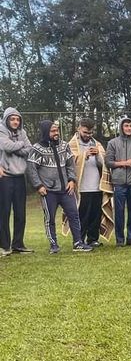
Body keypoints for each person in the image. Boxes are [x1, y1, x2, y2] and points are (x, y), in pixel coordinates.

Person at [27, 120, 92, 253]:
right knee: (49, 218)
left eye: (57, 130)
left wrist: (72, 180)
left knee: (74, 215)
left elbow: (70, 165)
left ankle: (78, 242)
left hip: (66, 190)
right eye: (53, 131)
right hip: (48, 191)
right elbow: (31, 169)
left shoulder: (64, 145)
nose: (56, 133)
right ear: (46, 132)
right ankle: (54, 245)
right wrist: (38, 186)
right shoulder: (36, 149)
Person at [63, 118, 114, 246]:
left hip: (97, 186)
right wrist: (83, 156)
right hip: (81, 188)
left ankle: (93, 239)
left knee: (95, 215)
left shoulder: (97, 144)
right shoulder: (72, 145)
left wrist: (98, 155)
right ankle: (79, 239)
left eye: (90, 133)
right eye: (85, 132)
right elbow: (68, 164)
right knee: (82, 215)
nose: (88, 135)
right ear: (78, 129)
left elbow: (105, 164)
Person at [105, 117, 131, 247]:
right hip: (119, 183)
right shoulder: (112, 143)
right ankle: (120, 240)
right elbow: (109, 162)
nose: (129, 128)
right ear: (121, 127)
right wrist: (125, 163)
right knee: (119, 212)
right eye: (126, 126)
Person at [0, 107, 34, 255]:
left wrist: (16, 147)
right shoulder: (1, 130)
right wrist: (21, 145)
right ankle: (4, 246)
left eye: (17, 119)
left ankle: (18, 244)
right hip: (5, 177)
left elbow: (30, 149)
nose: (15, 121)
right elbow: (6, 147)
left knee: (20, 212)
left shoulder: (23, 132)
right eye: (12, 119)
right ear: (7, 119)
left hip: (20, 177)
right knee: (4, 212)